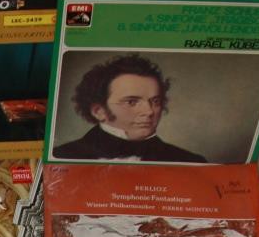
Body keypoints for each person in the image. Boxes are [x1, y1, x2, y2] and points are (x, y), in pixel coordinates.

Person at [53, 54, 207, 163]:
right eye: (132, 102)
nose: (149, 111)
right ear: (99, 111)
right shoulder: (61, 156)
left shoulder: (191, 162)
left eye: (155, 101)